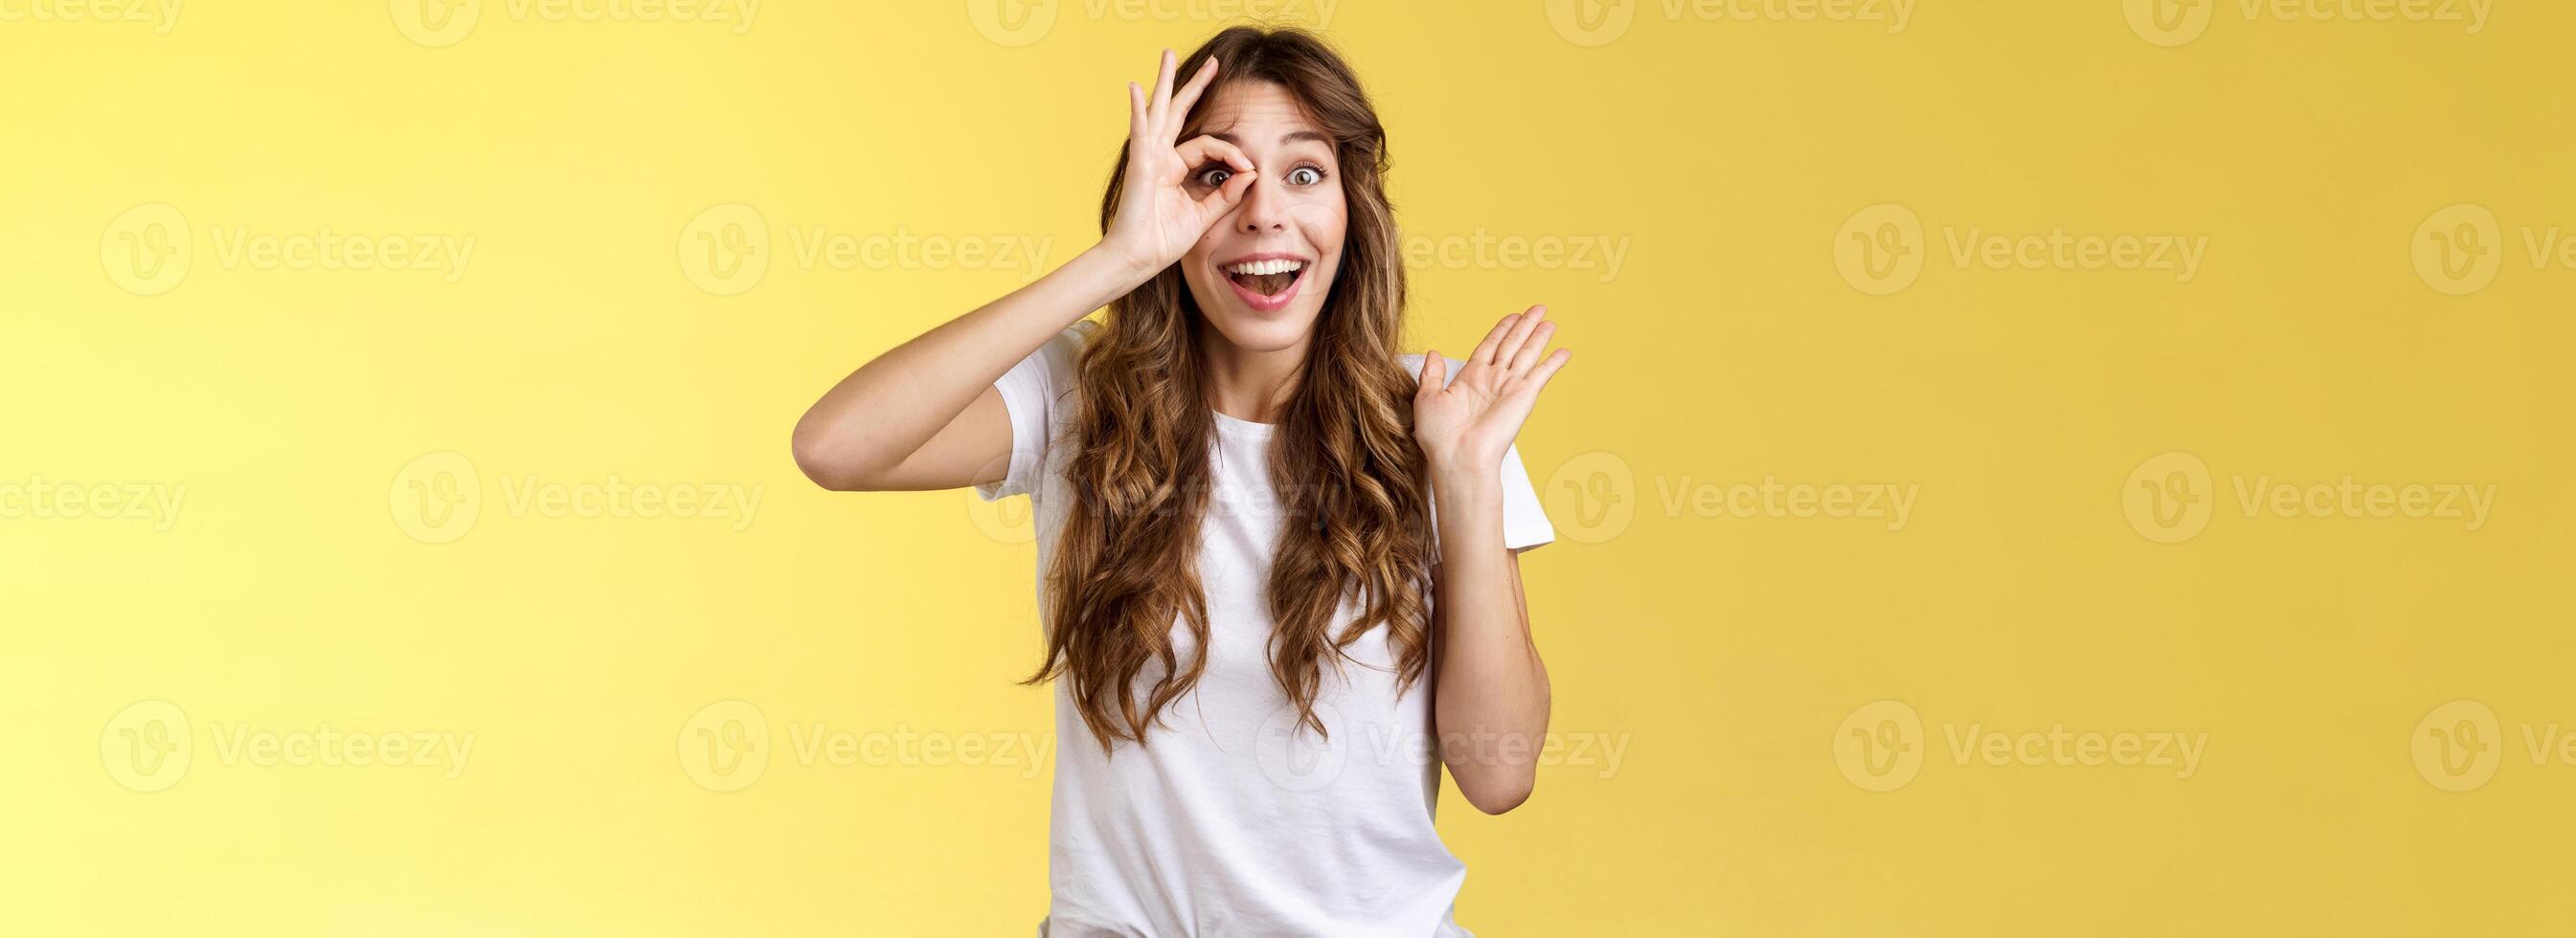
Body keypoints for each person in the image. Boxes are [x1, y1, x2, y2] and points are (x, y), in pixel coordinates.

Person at [791, 26, 1571, 936]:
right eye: (1217, 177)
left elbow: (1499, 773)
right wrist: (1117, 263)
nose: (1264, 214)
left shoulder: (1444, 418)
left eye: (1304, 174)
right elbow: (836, 447)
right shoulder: (1083, 397)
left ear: (1352, 210)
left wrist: (1467, 481)